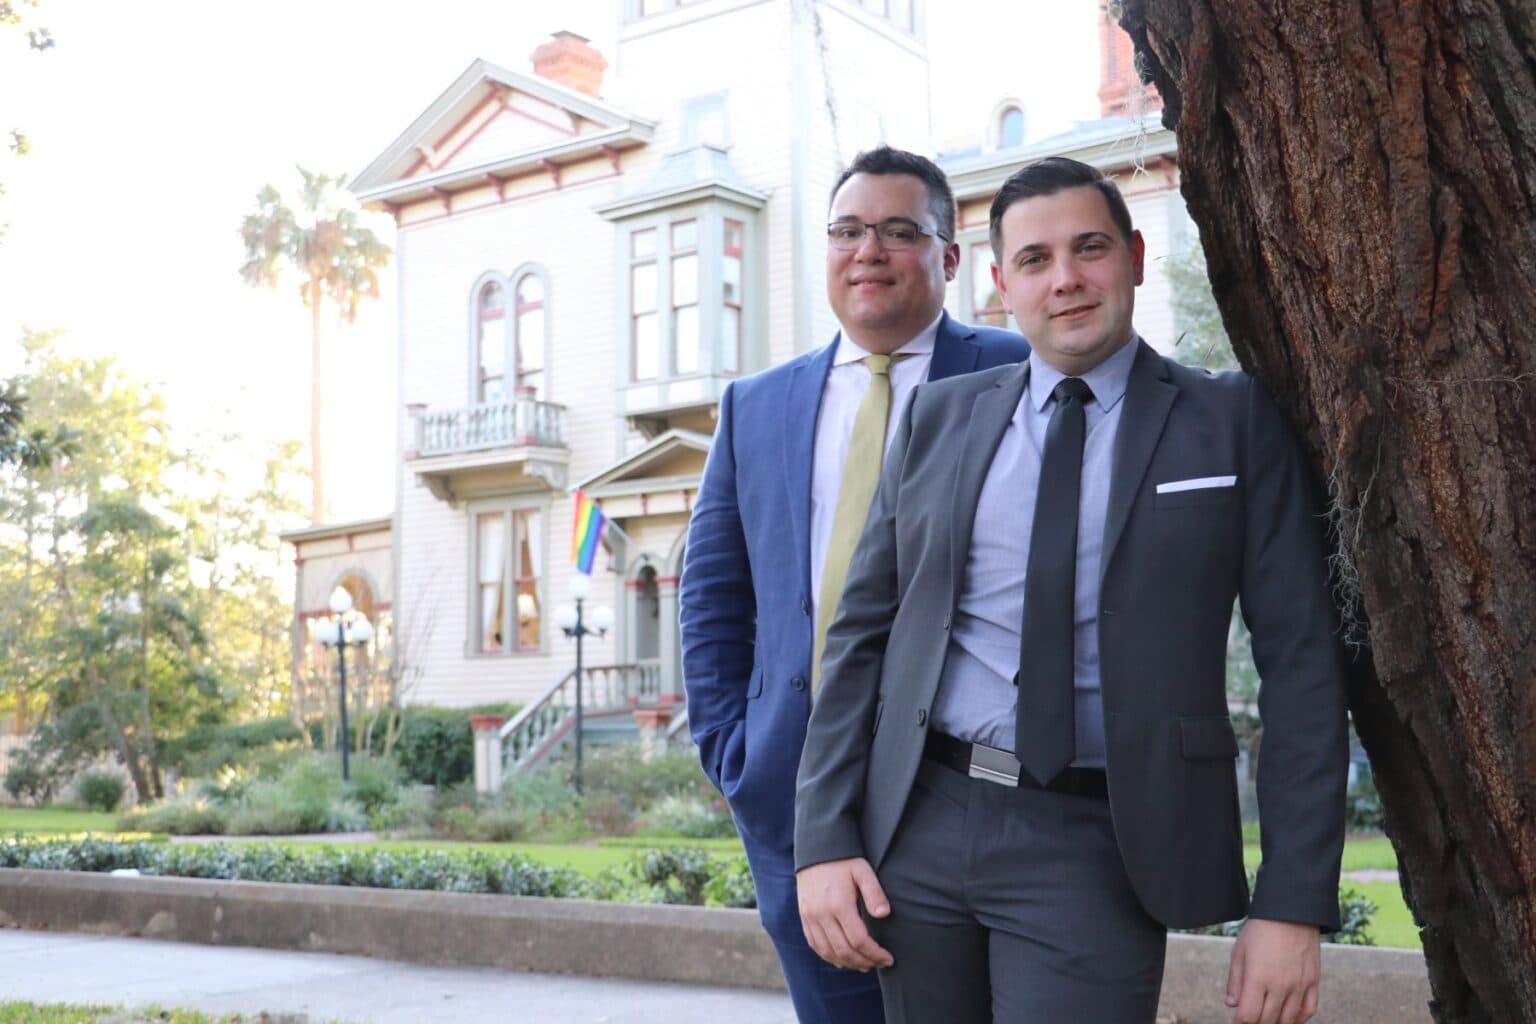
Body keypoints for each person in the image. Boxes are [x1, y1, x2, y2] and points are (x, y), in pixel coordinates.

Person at [794, 156, 1350, 1024]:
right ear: (999, 285)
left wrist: (1290, 901)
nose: (1066, 280)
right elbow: (861, 639)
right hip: (920, 826)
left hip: (1101, 841)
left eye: (1089, 249)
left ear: (1132, 256)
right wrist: (822, 840)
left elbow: (1304, 669)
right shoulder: (941, 416)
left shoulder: (1229, 421)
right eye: (1035, 259)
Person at [680, 145, 1030, 1023]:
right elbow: (714, 595)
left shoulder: (1020, 377)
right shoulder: (754, 406)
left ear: (949, 258)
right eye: (846, 230)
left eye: (898, 230)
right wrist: (735, 752)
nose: (867, 250)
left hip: (965, 790)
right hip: (793, 794)